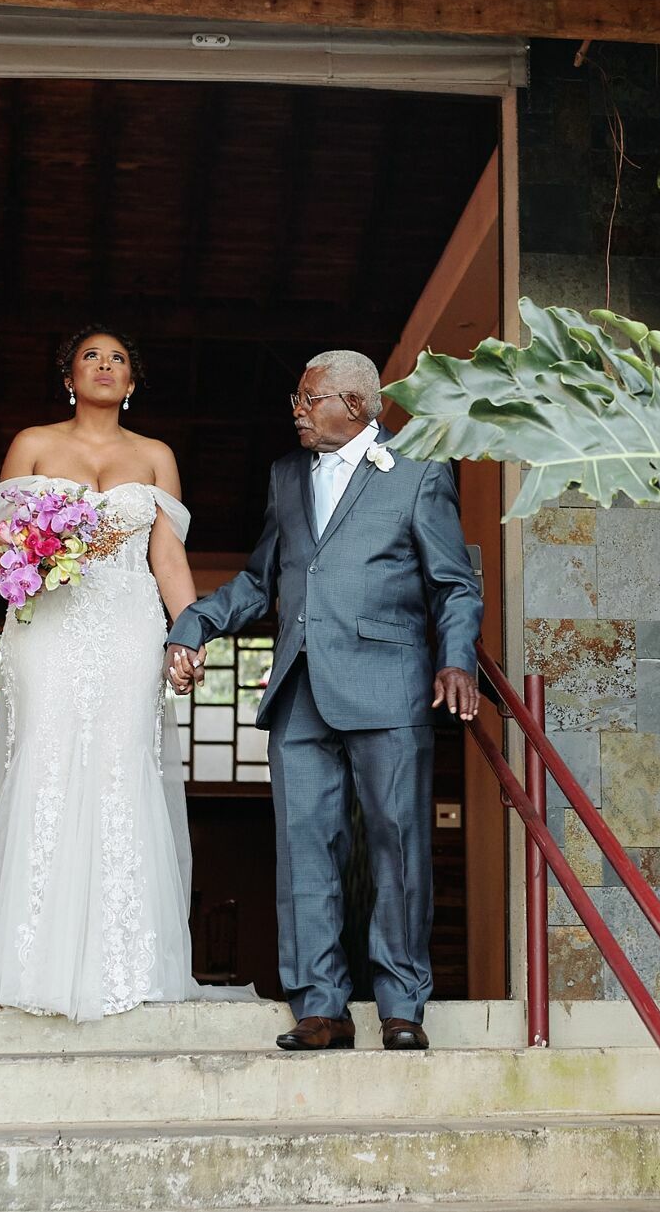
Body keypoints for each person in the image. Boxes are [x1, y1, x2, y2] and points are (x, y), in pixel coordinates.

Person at [0, 325, 255, 1021]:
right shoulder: (32, 443)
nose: (104, 365)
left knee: (122, 765)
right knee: (47, 758)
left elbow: (169, 560)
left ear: (132, 382)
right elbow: (4, 551)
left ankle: (126, 959)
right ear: (69, 373)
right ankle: (30, 955)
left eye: (118, 358)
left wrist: (189, 635)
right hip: (50, 626)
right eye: (91, 355)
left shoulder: (157, 456)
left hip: (129, 625)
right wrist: (45, 550)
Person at [165, 350, 482, 1051]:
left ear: (360, 406)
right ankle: (320, 1004)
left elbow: (453, 583)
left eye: (311, 399)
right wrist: (194, 623)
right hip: (300, 690)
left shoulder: (422, 470)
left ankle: (402, 1004)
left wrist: (457, 657)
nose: (297, 409)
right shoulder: (285, 477)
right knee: (303, 848)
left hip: (390, 684)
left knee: (399, 846)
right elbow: (260, 579)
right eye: (297, 397)